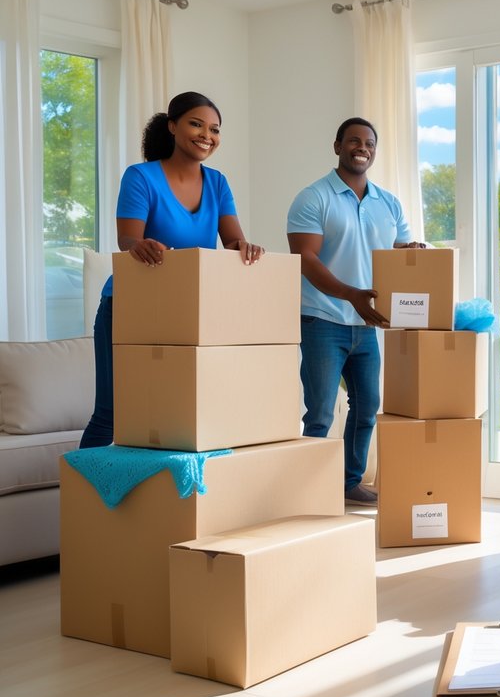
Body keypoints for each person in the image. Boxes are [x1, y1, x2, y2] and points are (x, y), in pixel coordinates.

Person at [79, 91, 263, 449]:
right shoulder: (141, 177)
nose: (206, 135)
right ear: (173, 126)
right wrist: (140, 245)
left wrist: (246, 247)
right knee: (113, 412)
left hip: (188, 311)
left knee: (178, 411)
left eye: (215, 129)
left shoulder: (218, 183)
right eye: (196, 124)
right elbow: (127, 239)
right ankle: (82, 501)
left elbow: (233, 242)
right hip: (129, 306)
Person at [287, 117, 424, 506]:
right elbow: (305, 259)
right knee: (320, 413)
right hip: (321, 319)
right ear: (337, 146)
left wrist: (412, 254)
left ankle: (348, 483)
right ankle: (308, 492)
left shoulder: (389, 203)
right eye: (353, 141)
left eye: (369, 143)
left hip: (366, 324)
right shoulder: (314, 198)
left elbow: (397, 257)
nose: (361, 147)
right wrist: (350, 294)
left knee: (366, 408)